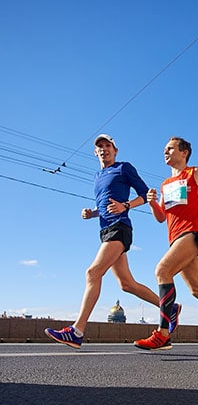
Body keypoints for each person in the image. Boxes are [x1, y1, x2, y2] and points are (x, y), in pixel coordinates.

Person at [45, 134, 173, 348]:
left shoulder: (124, 168)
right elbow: (105, 206)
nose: (104, 149)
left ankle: (77, 331)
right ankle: (169, 307)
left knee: (93, 272)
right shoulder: (97, 176)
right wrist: (92, 213)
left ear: (115, 151)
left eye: (108, 146)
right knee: (127, 285)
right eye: (100, 147)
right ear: (96, 152)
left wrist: (126, 206)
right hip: (105, 230)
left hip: (120, 228)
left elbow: (145, 194)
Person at [133, 137, 198, 350]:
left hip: (192, 233)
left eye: (170, 148)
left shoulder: (195, 172)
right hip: (175, 239)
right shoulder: (165, 184)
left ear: (184, 153)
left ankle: (163, 334)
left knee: (162, 271)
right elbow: (161, 217)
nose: (165, 152)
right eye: (164, 149)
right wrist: (153, 202)